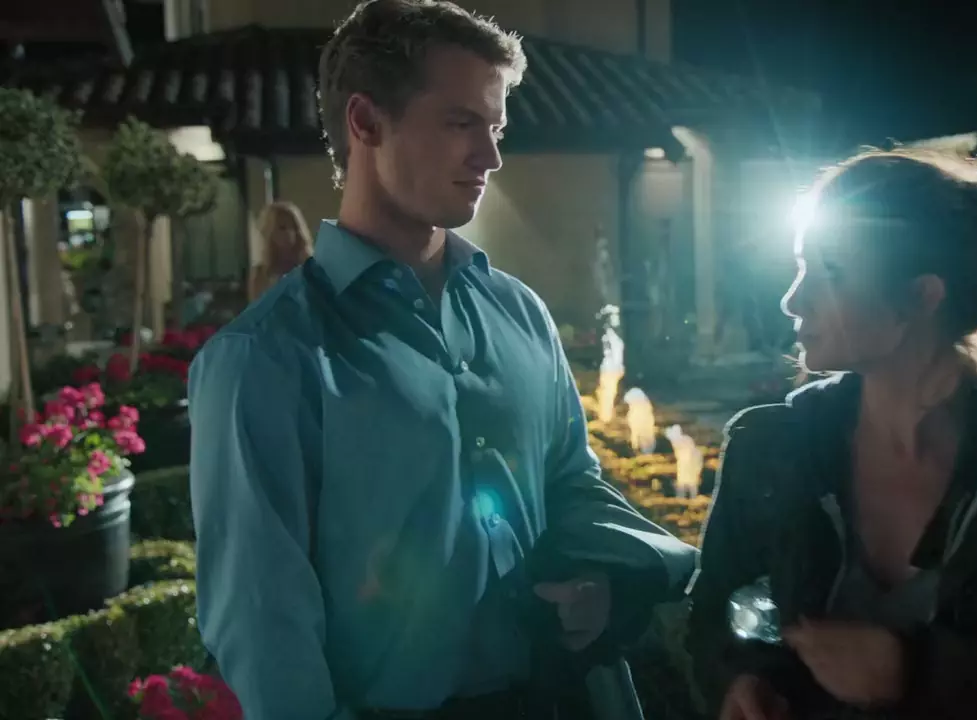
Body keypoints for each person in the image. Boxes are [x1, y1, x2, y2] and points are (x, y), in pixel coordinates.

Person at [187, 2, 697, 719]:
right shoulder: (265, 358)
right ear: (366, 121)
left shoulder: (520, 313)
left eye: (496, 129)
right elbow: (262, 621)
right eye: (462, 123)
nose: (490, 156)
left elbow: (570, 484)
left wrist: (601, 587)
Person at [686, 149, 977, 720]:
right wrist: (741, 681)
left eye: (829, 273)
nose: (793, 300)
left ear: (921, 296)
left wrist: (916, 672)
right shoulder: (770, 448)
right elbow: (711, 619)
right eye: (800, 268)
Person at [247, 200, 314, 302]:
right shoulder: (261, 274)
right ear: (270, 231)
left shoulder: (310, 270)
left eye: (294, 227)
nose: (289, 233)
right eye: (282, 228)